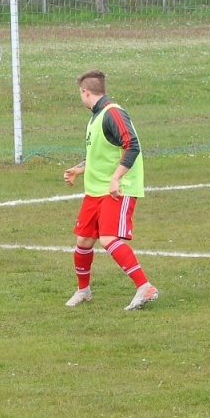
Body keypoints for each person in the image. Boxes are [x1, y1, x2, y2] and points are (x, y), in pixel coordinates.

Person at [63, 70, 158, 310]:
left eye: (80, 94)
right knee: (83, 240)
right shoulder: (95, 117)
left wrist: (116, 178)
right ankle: (83, 291)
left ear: (86, 92)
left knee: (107, 238)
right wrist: (78, 169)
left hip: (117, 189)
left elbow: (132, 146)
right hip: (96, 191)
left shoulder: (112, 113)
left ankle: (145, 286)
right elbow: (100, 154)